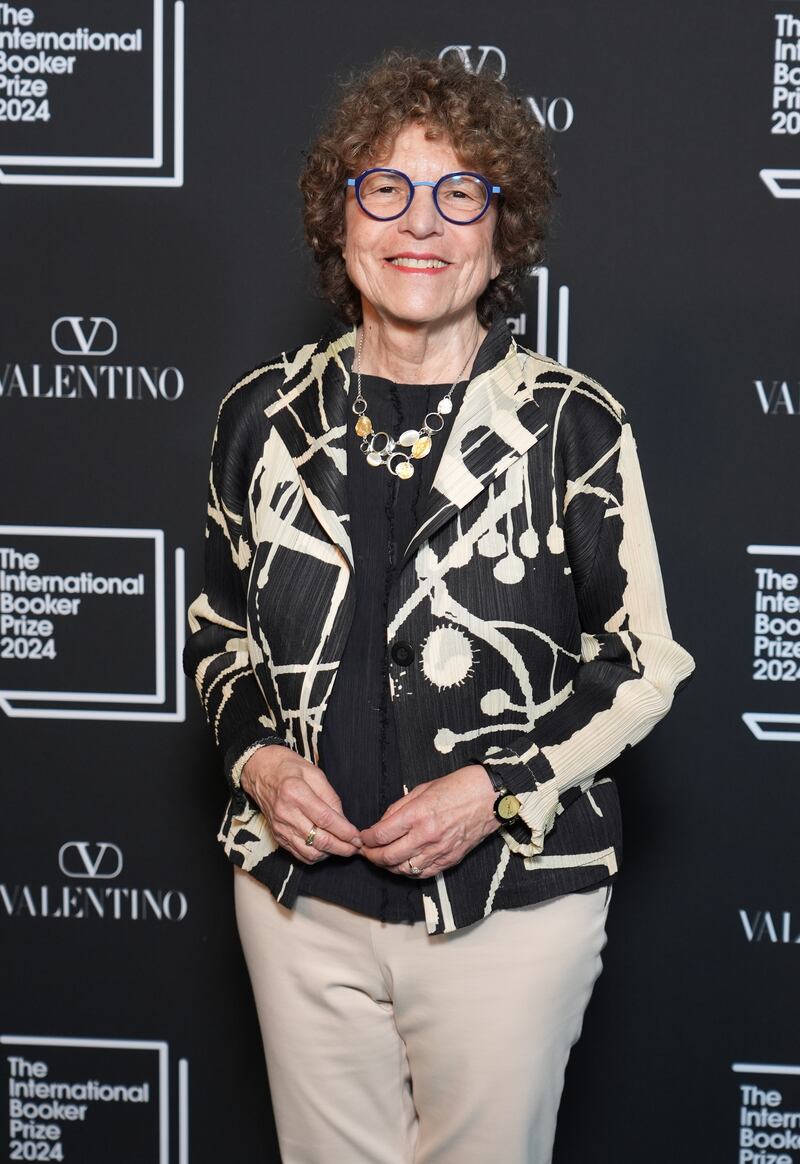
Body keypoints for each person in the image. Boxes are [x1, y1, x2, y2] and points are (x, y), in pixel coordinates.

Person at [184, 51, 695, 1164]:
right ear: (341, 216)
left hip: (508, 909)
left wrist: (497, 786)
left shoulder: (571, 425)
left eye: (459, 192)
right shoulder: (261, 417)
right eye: (387, 189)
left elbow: (640, 659)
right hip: (293, 902)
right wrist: (258, 764)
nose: (421, 223)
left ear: (499, 231)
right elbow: (218, 630)